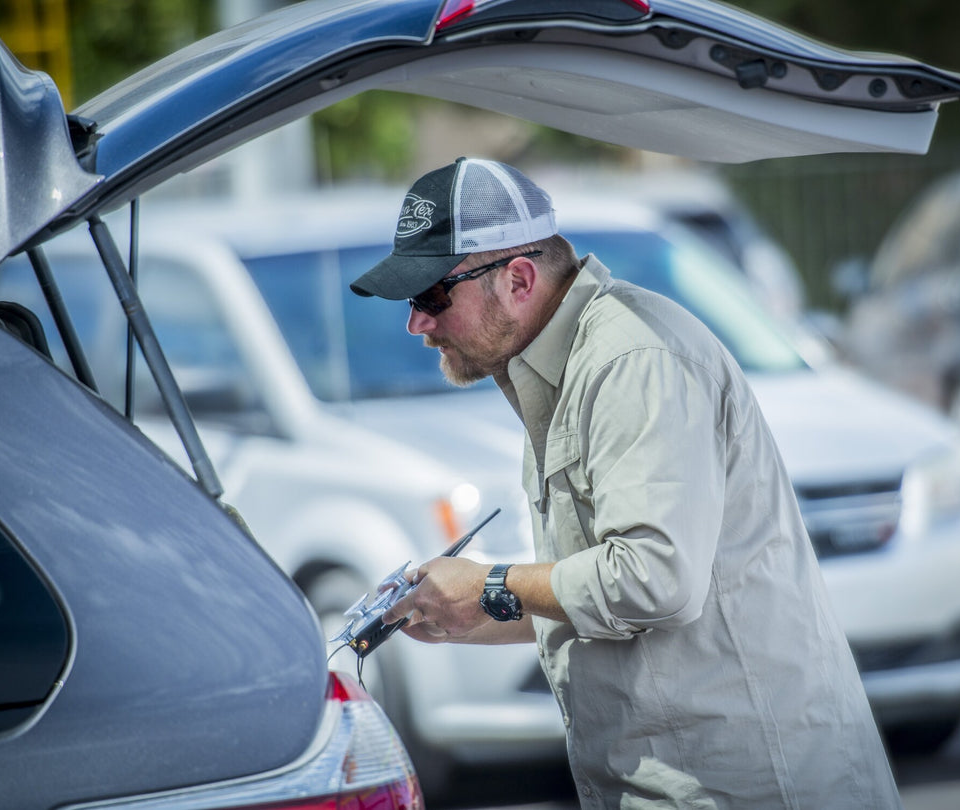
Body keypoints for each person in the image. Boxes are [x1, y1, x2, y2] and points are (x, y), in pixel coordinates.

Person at [351, 157, 902, 809]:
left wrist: (491, 582)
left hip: (750, 785)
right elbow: (598, 597)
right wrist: (465, 611)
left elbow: (652, 578)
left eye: (430, 295)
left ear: (519, 280)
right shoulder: (562, 367)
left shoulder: (630, 363)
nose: (417, 323)